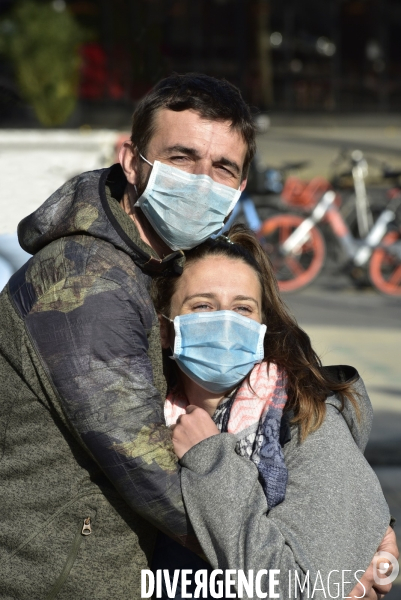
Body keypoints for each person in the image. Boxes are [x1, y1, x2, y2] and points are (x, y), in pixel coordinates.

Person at [0, 73, 396, 599]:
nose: (200, 181)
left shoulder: (163, 262)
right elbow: (155, 477)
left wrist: (356, 524)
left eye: (223, 167)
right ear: (132, 161)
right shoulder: (88, 280)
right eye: (182, 157)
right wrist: (337, 559)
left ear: (240, 186)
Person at [150, 225, 396, 599]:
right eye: (202, 305)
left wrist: (210, 461)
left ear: (261, 328)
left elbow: (297, 590)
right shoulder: (143, 416)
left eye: (243, 308)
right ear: (166, 329)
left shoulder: (308, 422)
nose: (226, 322)